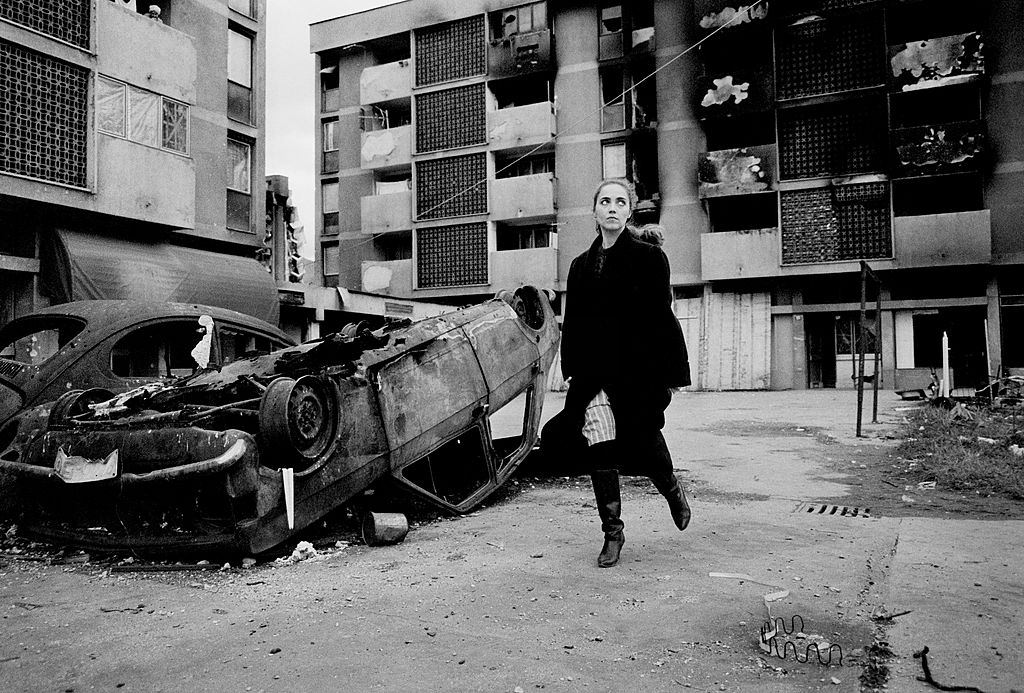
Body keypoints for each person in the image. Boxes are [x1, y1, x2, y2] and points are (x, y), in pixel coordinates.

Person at [557, 178, 692, 568]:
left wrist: (666, 371)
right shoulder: (580, 266)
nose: (612, 207)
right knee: (599, 441)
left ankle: (671, 489)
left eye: (620, 201)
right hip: (594, 373)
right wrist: (571, 369)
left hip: (637, 369)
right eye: (605, 201)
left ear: (629, 211)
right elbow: (575, 321)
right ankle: (612, 533)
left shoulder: (649, 257)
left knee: (643, 438)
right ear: (595, 211)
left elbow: (660, 318)